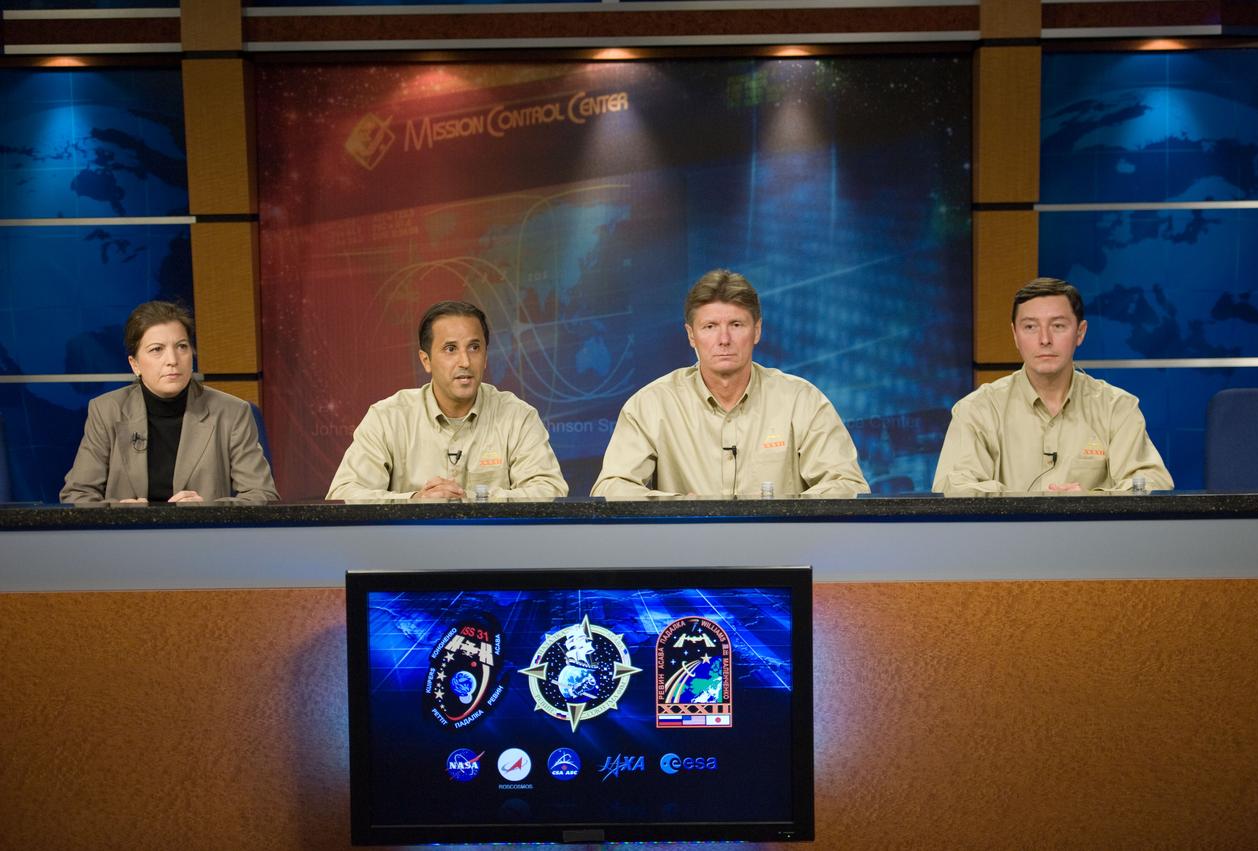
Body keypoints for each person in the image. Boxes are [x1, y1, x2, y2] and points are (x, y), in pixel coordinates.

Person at [591, 269, 869, 498]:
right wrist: (678, 507)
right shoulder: (651, 405)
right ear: (691, 335)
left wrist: (781, 511)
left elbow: (848, 485)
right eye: (710, 327)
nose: (724, 340)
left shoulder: (801, 401)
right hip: (687, 546)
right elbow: (611, 488)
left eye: (736, 325)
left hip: (780, 546)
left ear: (757, 330)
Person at [933, 277, 1173, 495]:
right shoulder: (978, 410)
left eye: (1058, 326)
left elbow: (1153, 484)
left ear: (1080, 333)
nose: (1045, 339)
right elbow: (954, 488)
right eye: (1030, 327)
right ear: (1015, 335)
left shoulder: (1117, 408)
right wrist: (1031, 505)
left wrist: (1090, 502)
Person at [327, 300, 568, 500]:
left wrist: (474, 499)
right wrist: (414, 501)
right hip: (411, 544)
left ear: (485, 357)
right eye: (450, 349)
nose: (465, 361)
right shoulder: (388, 418)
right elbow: (343, 495)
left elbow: (551, 491)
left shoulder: (518, 416)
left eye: (474, 347)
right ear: (426, 360)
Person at [61, 301, 278, 504]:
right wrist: (119, 514)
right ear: (135, 365)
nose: (173, 360)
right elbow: (77, 494)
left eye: (182, 347)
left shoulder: (231, 412)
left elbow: (262, 494)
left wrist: (208, 511)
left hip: (202, 532)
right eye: (157, 349)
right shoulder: (107, 411)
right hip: (129, 533)